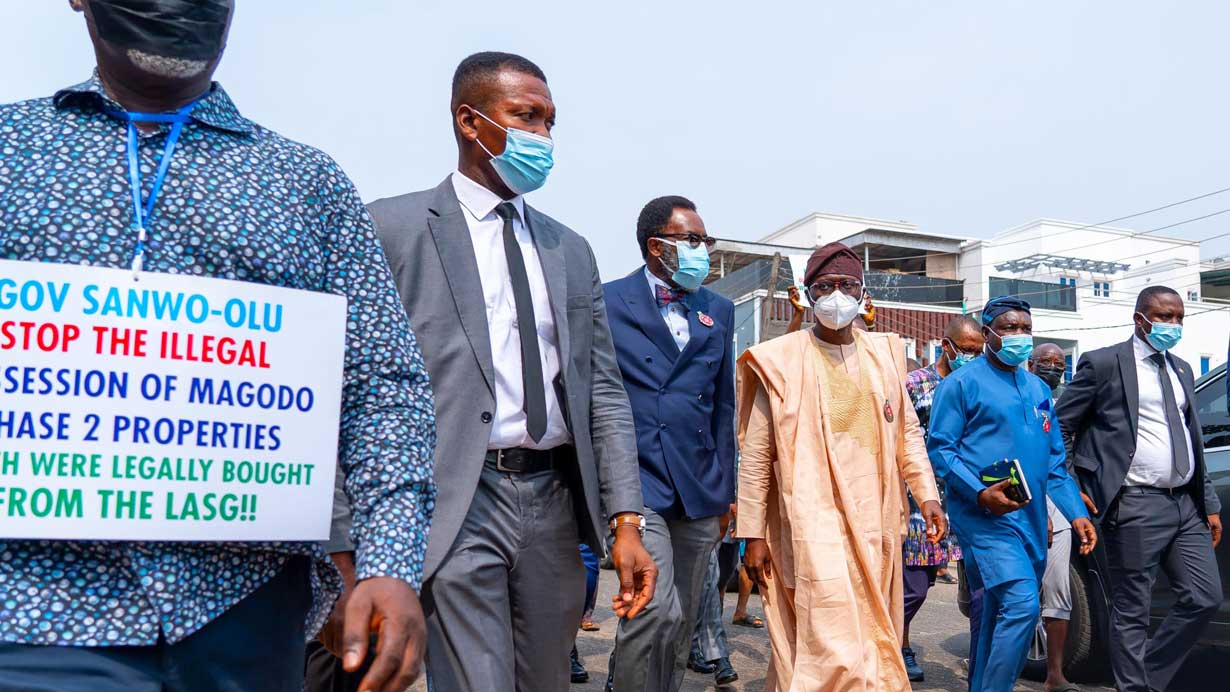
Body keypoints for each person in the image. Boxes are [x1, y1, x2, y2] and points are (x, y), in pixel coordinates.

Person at [0, 3, 436, 692]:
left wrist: (389, 560)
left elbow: (383, 386)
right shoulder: (11, 151)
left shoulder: (307, 187)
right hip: (35, 616)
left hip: (244, 620)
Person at [352, 52, 657, 692]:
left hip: (553, 504)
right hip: (459, 498)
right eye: (526, 117)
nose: (543, 137)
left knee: (544, 680)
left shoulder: (569, 249)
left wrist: (626, 518)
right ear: (470, 120)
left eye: (549, 122)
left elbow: (604, 392)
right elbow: (353, 385)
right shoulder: (393, 229)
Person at [736, 242, 947, 691]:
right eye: (825, 286)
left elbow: (908, 434)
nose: (836, 295)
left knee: (870, 634)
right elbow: (756, 455)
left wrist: (927, 495)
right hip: (810, 525)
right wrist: (752, 534)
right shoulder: (779, 361)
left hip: (877, 522)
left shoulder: (887, 355)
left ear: (862, 292)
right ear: (809, 294)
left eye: (846, 285)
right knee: (830, 643)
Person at [1056, 286, 1224, 692]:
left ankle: (1142, 677)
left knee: (1204, 596)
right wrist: (1071, 484)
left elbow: (1192, 438)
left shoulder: (1181, 368)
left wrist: (1209, 502)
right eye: (1164, 317)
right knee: (1132, 608)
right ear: (1140, 319)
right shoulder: (1104, 364)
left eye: (1179, 318)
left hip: (1184, 504)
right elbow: (1061, 426)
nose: (1172, 325)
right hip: (1134, 503)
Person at [927, 296, 1097, 692]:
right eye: (1009, 327)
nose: (1019, 335)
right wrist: (979, 493)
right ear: (988, 334)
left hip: (1032, 519)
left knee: (998, 613)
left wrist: (1075, 513)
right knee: (1022, 606)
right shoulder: (960, 385)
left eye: (1025, 327)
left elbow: (1054, 461)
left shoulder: (1038, 388)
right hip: (985, 518)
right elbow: (941, 450)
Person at [601, 195, 737, 691]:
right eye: (694, 240)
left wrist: (728, 488)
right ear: (657, 246)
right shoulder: (609, 300)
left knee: (680, 618)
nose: (704, 250)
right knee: (651, 607)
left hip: (699, 486)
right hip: (637, 480)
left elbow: (723, 405)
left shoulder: (717, 309)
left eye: (706, 240)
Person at [900, 316, 983, 682]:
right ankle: (895, 646)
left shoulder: (977, 385)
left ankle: (982, 666)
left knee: (964, 588)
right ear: (945, 346)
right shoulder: (917, 384)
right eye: (965, 349)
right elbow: (897, 436)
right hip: (919, 499)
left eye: (978, 351)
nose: (971, 356)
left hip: (965, 498)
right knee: (913, 587)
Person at [1026, 343, 1082, 692]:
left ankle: (1055, 675)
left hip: (1057, 502)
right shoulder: (1018, 395)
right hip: (1022, 502)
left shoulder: (1061, 402)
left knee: (1058, 588)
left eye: (1058, 364)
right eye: (1044, 362)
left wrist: (1073, 508)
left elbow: (1061, 460)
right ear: (1030, 364)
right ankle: (991, 664)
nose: (1051, 367)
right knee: (1015, 592)